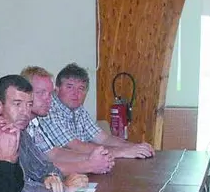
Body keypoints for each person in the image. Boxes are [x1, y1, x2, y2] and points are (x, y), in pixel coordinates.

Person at [24, 64, 154, 174]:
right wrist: (118, 153)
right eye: (69, 87)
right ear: (57, 90)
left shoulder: (37, 121)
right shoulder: (47, 112)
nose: (76, 93)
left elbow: (103, 138)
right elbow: (71, 148)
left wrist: (134, 147)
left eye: (81, 88)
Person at [0, 74, 89, 192]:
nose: (25, 112)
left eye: (29, 104)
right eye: (17, 104)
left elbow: (45, 167)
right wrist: (65, 188)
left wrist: (50, 177)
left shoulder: (21, 132)